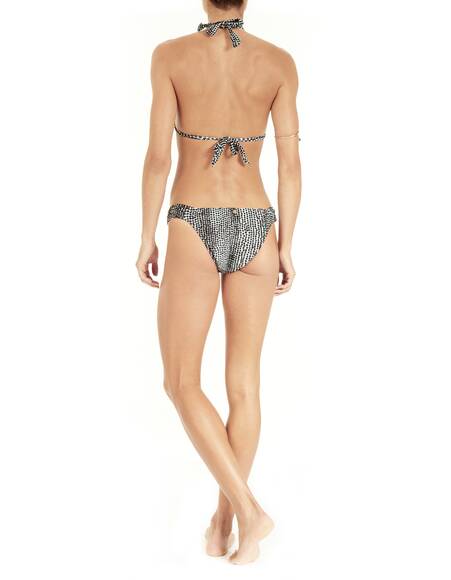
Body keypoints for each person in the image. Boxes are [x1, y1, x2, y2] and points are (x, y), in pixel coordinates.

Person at [136, 0, 301, 565]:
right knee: (244, 386)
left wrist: (146, 236)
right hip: (258, 224)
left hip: (193, 220)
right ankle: (225, 527)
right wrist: (286, 243)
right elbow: (290, 166)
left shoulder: (170, 56)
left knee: (181, 381)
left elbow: (158, 159)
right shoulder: (278, 62)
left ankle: (247, 513)